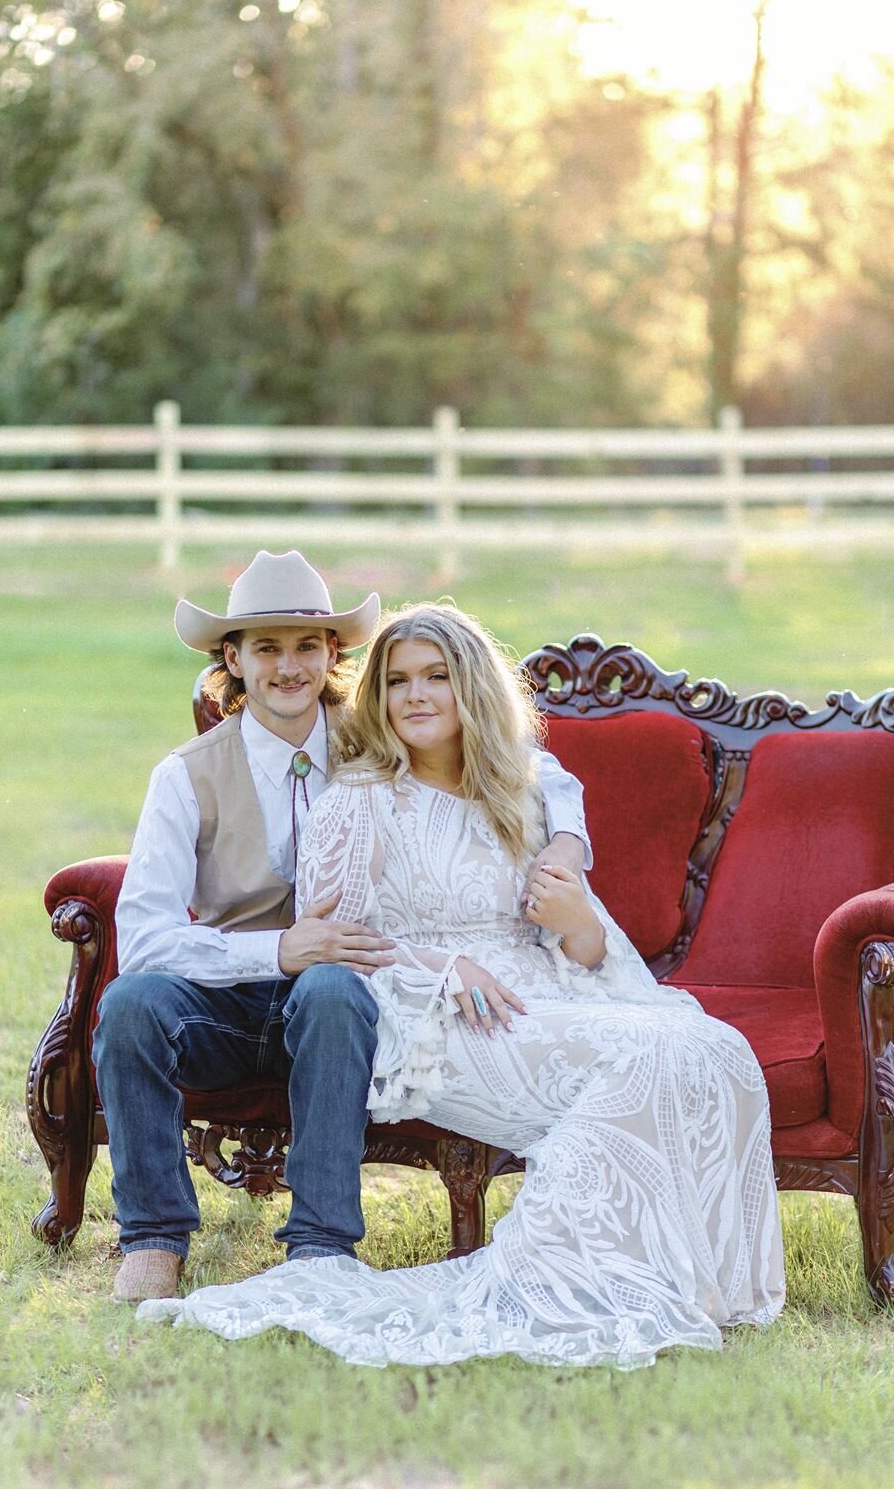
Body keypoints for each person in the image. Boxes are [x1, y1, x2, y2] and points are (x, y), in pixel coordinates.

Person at [138, 602, 785, 1365]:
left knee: (710, 1044)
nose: (415, 696)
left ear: (473, 687)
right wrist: (442, 967)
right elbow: (339, 950)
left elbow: (581, 949)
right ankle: (568, 1282)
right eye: (398, 681)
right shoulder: (359, 801)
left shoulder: (522, 792)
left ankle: (691, 1279)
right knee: (639, 1061)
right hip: (436, 1018)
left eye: (437, 678)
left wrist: (577, 916)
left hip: (546, 993)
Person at [94, 555, 591, 1303]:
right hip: (226, 999)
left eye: (306, 646)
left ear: (334, 654)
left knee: (331, 987)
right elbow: (144, 941)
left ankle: (321, 1243)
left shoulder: (376, 733)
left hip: (352, 991)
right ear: (232, 659)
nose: (288, 667)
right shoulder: (187, 774)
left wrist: (567, 841)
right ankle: (155, 1236)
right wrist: (275, 947)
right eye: (266, 648)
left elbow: (525, 766)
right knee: (128, 1004)